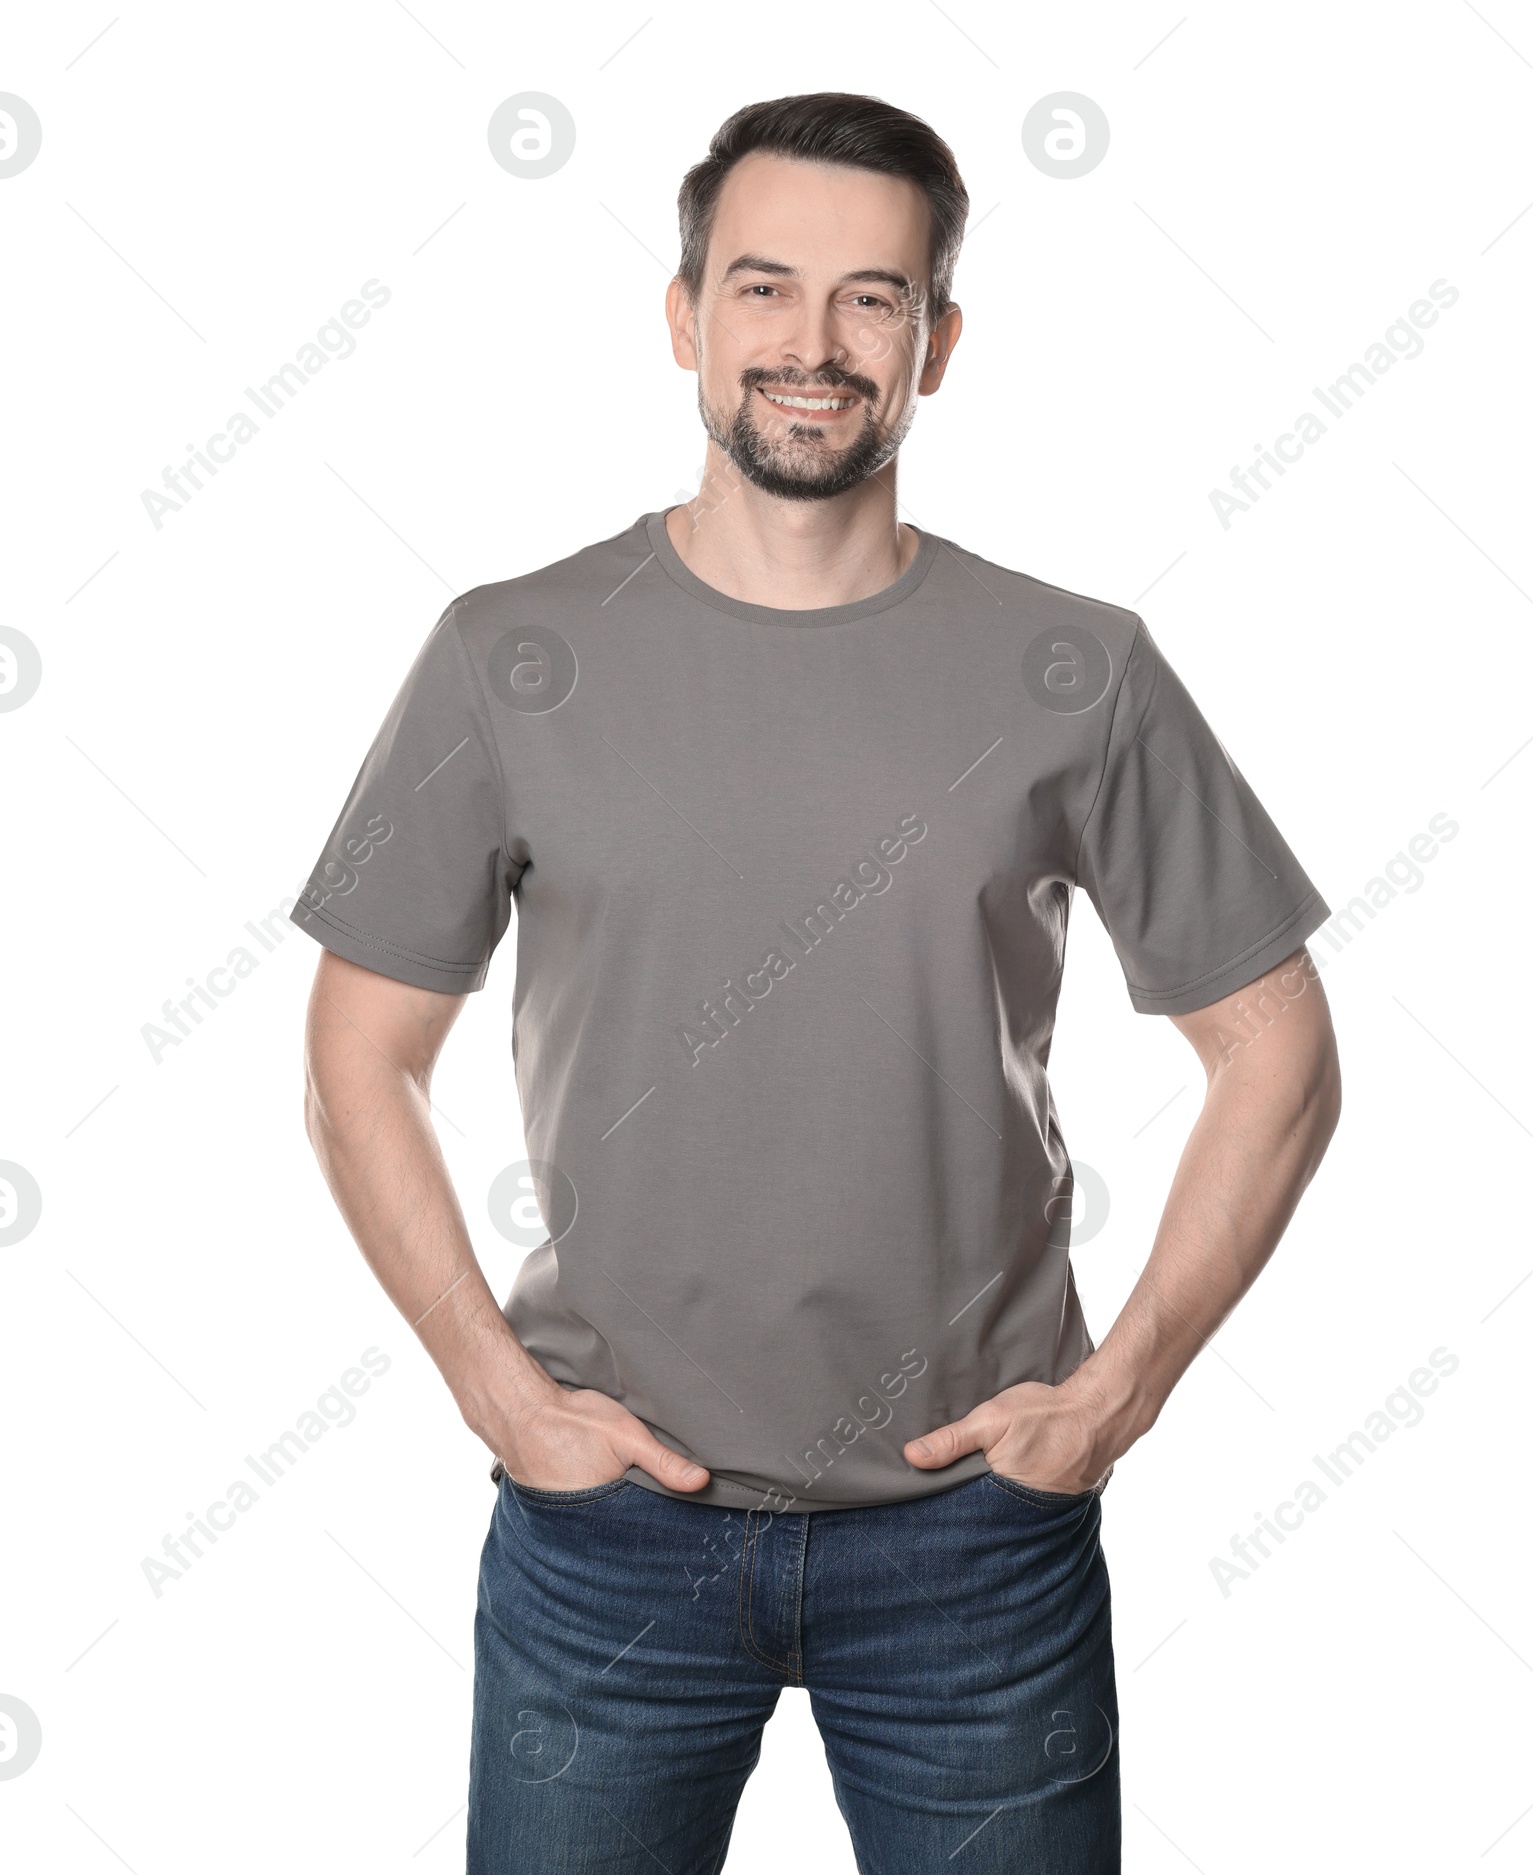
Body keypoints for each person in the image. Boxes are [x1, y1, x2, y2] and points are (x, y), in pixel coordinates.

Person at [293, 91, 1340, 1875]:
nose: (813, 343)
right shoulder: (510, 654)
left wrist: (1112, 1399)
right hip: (609, 1533)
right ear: (685, 316)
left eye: (873, 299)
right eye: (764, 288)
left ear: (939, 343)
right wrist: (496, 1393)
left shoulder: (1076, 665)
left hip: (972, 1544)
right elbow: (358, 1056)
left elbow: (1281, 1061)